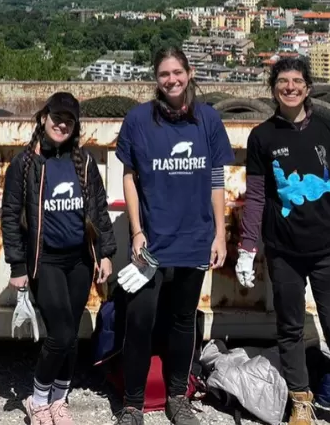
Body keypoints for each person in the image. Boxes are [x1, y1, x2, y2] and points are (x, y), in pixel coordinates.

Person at [235, 56, 330, 425]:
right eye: (282, 81)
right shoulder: (261, 137)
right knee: (289, 329)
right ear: (273, 88)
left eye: (297, 81)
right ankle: (300, 401)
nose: (290, 87)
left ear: (308, 87)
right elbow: (256, 197)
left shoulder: (327, 131)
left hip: (328, 249)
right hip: (283, 251)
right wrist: (247, 248)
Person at [112, 47, 234, 425]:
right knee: (140, 320)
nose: (172, 80)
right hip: (152, 245)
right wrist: (136, 231)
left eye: (178, 72)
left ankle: (177, 397)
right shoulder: (138, 120)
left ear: (190, 72)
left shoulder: (208, 119)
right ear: (156, 79)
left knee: (183, 320)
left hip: (195, 239)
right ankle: (132, 404)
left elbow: (216, 179)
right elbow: (129, 177)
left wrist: (220, 234)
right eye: (164, 74)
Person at [2, 91, 117, 425]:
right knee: (61, 334)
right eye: (56, 118)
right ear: (44, 117)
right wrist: (18, 265)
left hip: (80, 261)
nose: (61, 124)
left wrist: (106, 253)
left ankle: (59, 400)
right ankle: (37, 400)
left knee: (71, 335)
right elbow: (10, 216)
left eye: (69, 120)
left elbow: (99, 209)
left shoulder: (84, 163)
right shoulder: (25, 165)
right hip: (45, 262)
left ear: (75, 126)